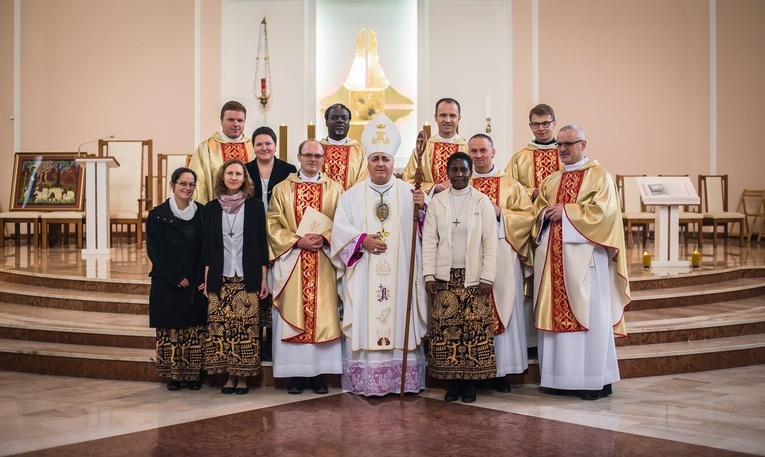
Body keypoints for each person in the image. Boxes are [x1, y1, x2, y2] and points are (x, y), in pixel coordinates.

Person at [331, 113, 428, 396]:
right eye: (375, 159)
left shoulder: (411, 192)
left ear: (392, 161)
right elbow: (339, 232)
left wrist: (424, 210)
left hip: (400, 275)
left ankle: (403, 380)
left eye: (385, 159)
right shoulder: (351, 196)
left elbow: (428, 231)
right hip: (364, 274)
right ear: (368, 162)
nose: (381, 164)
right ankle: (367, 380)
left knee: (397, 315)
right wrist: (362, 240)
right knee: (367, 314)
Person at [532, 125, 630, 400]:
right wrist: (544, 215)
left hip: (586, 262)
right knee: (557, 323)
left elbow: (605, 215)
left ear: (583, 145)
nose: (562, 149)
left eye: (569, 144)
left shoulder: (600, 178)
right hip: (554, 262)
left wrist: (567, 211)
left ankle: (593, 380)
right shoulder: (552, 180)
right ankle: (559, 379)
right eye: (559, 145)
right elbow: (538, 210)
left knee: (591, 319)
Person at [267, 139, 344, 394]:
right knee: (293, 315)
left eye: (318, 156)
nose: (313, 159)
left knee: (322, 314)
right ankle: (296, 377)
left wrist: (326, 237)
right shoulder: (282, 189)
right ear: (298, 157)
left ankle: (319, 375)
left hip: (323, 261)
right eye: (308, 155)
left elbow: (343, 224)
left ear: (324, 159)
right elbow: (273, 223)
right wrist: (296, 241)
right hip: (293, 262)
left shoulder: (335, 189)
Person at [423, 152, 498, 403]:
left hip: (474, 278)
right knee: (446, 333)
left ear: (470, 172)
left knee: (473, 332)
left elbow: (490, 242)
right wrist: (428, 274)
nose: (459, 174)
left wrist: (487, 276)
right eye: (454, 170)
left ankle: (470, 385)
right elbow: (430, 241)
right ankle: (452, 384)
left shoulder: (482, 202)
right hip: (445, 277)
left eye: (463, 170)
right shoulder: (438, 202)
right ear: (447, 172)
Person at [468, 134, 536, 392]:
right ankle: (475, 370)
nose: (478, 155)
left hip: (502, 258)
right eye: (473, 151)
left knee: (504, 307)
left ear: (493, 152)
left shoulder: (510, 185)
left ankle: (501, 372)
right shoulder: (463, 182)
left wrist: (501, 214)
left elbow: (528, 217)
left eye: (483, 150)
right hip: (470, 260)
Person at [202, 159, 269, 395]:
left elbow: (262, 245)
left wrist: (264, 279)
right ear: (222, 177)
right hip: (221, 278)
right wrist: (207, 278)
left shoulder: (255, 206)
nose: (233, 177)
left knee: (246, 330)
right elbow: (207, 248)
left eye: (238, 173)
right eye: (229, 173)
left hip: (246, 276)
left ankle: (243, 378)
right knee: (222, 329)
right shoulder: (210, 208)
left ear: (244, 178)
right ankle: (229, 376)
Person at [146, 167, 206, 391]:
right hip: (169, 282)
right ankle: (174, 375)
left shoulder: (201, 213)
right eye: (182, 183)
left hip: (194, 282)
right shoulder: (158, 214)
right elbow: (155, 250)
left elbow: (207, 247)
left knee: (193, 330)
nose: (187, 188)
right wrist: (174, 275)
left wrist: (202, 276)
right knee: (172, 329)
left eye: (191, 184)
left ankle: (193, 375)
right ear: (172, 185)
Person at [245, 126, 297, 362]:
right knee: (257, 287)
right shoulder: (245, 170)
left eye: (268, 143)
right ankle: (255, 344)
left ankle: (274, 344)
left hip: (281, 235)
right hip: (252, 234)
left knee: (277, 286)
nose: (264, 148)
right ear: (253, 147)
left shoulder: (289, 170)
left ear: (275, 146)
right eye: (259, 144)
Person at [190, 101, 255, 204]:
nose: (236, 124)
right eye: (230, 120)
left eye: (240, 120)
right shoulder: (206, 148)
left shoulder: (253, 147)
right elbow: (198, 184)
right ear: (221, 121)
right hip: (216, 211)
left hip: (249, 209)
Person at [402, 98, 468, 194]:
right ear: (435, 117)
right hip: (431, 205)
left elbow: (474, 180)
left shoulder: (468, 149)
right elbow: (408, 180)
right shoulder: (423, 149)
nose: (448, 120)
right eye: (443, 115)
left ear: (459, 118)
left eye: (452, 116)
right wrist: (433, 188)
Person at [504, 103, 563, 201]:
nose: (541, 128)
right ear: (530, 126)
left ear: (554, 124)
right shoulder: (519, 158)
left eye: (545, 123)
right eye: (536, 124)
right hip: (531, 212)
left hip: (559, 212)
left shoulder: (566, 155)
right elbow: (507, 187)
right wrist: (531, 193)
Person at [320, 103, 368, 190]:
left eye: (344, 118)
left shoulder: (360, 151)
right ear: (326, 122)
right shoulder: (317, 150)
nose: (340, 121)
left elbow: (364, 179)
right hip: (324, 202)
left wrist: (348, 198)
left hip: (352, 201)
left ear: (349, 122)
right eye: (334, 118)